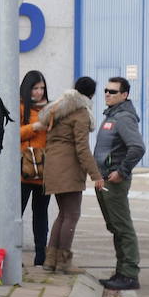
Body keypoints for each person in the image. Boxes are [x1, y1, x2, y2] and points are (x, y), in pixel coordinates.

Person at [41, 77, 105, 274]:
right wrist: (96, 175)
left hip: (53, 166)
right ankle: (63, 262)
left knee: (62, 214)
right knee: (72, 215)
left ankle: (50, 260)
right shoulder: (81, 114)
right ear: (91, 95)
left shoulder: (59, 109)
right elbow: (82, 149)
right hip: (68, 168)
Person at [95, 77, 146, 290]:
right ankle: (121, 271)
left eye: (113, 92)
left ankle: (129, 274)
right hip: (104, 179)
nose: (107, 94)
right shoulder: (112, 115)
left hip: (114, 181)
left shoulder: (124, 117)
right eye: (106, 90)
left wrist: (121, 172)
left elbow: (137, 147)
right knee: (115, 226)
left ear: (124, 95)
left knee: (122, 226)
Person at [19, 70, 53, 267]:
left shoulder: (50, 109)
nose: (39, 92)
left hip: (44, 170)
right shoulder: (20, 107)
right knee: (18, 213)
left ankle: (41, 256)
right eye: (35, 88)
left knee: (41, 215)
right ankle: (14, 255)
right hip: (23, 169)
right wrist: (34, 127)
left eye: (42, 88)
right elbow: (13, 134)